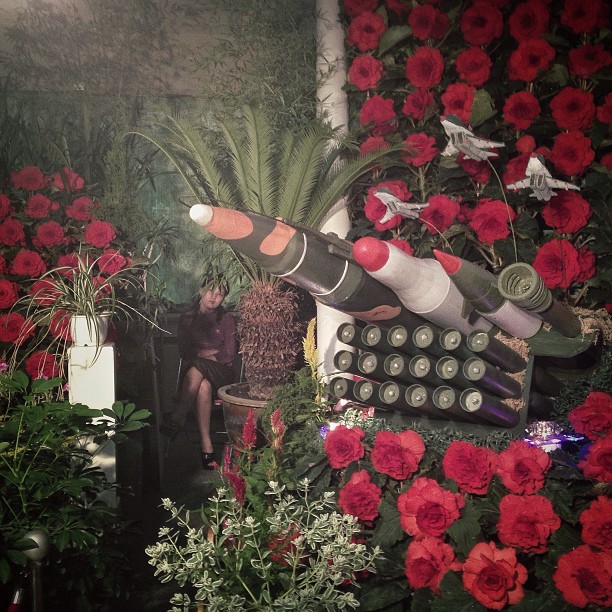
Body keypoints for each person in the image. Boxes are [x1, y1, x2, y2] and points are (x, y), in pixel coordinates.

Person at [160, 280, 237, 468]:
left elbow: (229, 354)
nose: (214, 297)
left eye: (219, 294)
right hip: (195, 380)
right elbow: (184, 352)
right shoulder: (187, 318)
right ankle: (206, 446)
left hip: (222, 377)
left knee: (198, 365)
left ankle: (178, 416)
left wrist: (200, 355)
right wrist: (212, 353)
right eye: (210, 291)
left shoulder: (226, 319)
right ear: (200, 291)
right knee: (203, 386)